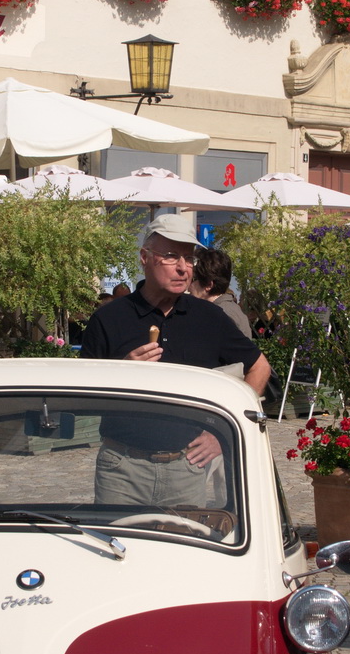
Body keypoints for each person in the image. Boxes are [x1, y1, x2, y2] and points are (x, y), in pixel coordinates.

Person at [79, 214, 269, 507]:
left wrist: (222, 434)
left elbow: (259, 367)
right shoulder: (110, 318)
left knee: (184, 551)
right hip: (122, 468)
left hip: (186, 468)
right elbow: (82, 397)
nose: (183, 268)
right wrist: (122, 371)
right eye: (170, 256)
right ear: (145, 257)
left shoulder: (208, 317)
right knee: (117, 549)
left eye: (188, 258)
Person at [191, 246, 252, 337]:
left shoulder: (221, 315)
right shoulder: (230, 309)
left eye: (192, 279)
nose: (188, 287)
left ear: (208, 285)